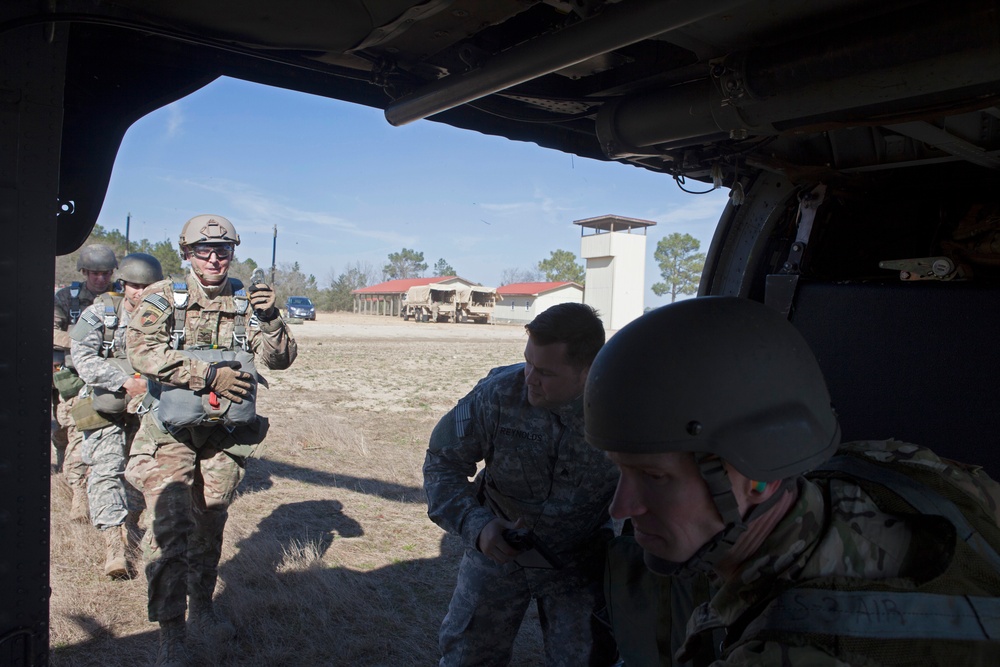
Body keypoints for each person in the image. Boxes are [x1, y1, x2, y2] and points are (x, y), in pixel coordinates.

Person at [585, 296, 1000, 666]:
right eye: (621, 470)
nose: (621, 508)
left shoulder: (790, 649)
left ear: (760, 479)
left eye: (656, 477)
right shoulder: (903, 468)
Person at [124, 214, 297, 667]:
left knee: (210, 522)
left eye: (223, 251)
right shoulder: (164, 298)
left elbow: (280, 361)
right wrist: (206, 374)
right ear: (187, 254)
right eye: (204, 250)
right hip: (172, 433)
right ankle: (170, 634)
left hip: (224, 436)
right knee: (169, 532)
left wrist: (271, 317)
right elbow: (141, 351)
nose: (215, 258)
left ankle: (202, 607)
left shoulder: (245, 300)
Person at [424, 302, 619, 667]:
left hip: (579, 561)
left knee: (588, 658)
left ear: (589, 371)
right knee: (467, 657)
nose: (529, 377)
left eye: (545, 371)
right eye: (528, 361)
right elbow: (442, 463)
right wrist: (476, 526)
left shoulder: (624, 412)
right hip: (497, 551)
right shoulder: (498, 393)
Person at [69, 253, 162, 578]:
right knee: (106, 472)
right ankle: (115, 548)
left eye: (147, 286)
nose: (139, 292)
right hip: (107, 406)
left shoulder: (170, 319)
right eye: (134, 285)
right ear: (122, 284)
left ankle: (158, 540)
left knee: (153, 476)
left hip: (151, 409)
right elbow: (81, 357)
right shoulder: (102, 314)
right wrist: (122, 381)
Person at [53, 243, 118, 522]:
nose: (100, 279)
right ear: (84, 272)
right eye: (94, 273)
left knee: (88, 434)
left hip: (110, 376)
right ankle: (76, 488)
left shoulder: (121, 298)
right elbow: (50, 331)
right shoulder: (67, 297)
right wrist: (83, 343)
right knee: (67, 433)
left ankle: (85, 492)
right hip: (74, 377)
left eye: (105, 273)